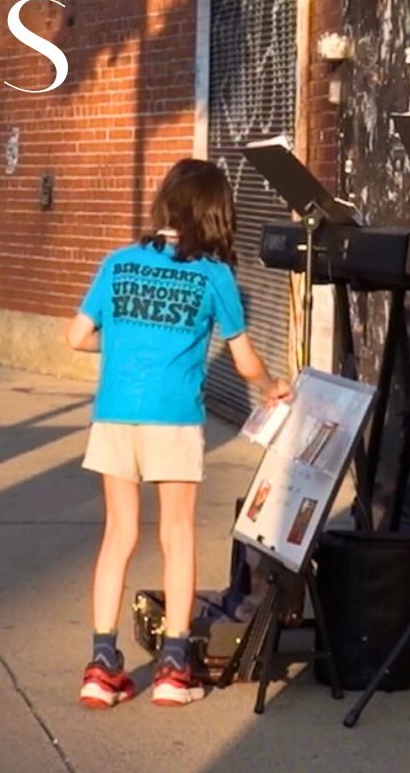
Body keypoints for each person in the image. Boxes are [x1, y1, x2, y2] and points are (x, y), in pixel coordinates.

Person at [66, 158, 289, 708]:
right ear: (217, 213)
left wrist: (119, 347)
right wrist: (271, 387)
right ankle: (173, 667)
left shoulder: (118, 264)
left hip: (115, 414)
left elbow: (76, 337)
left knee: (118, 534)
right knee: (178, 535)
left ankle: (101, 664)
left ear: (165, 203)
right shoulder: (215, 276)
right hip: (174, 419)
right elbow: (243, 362)